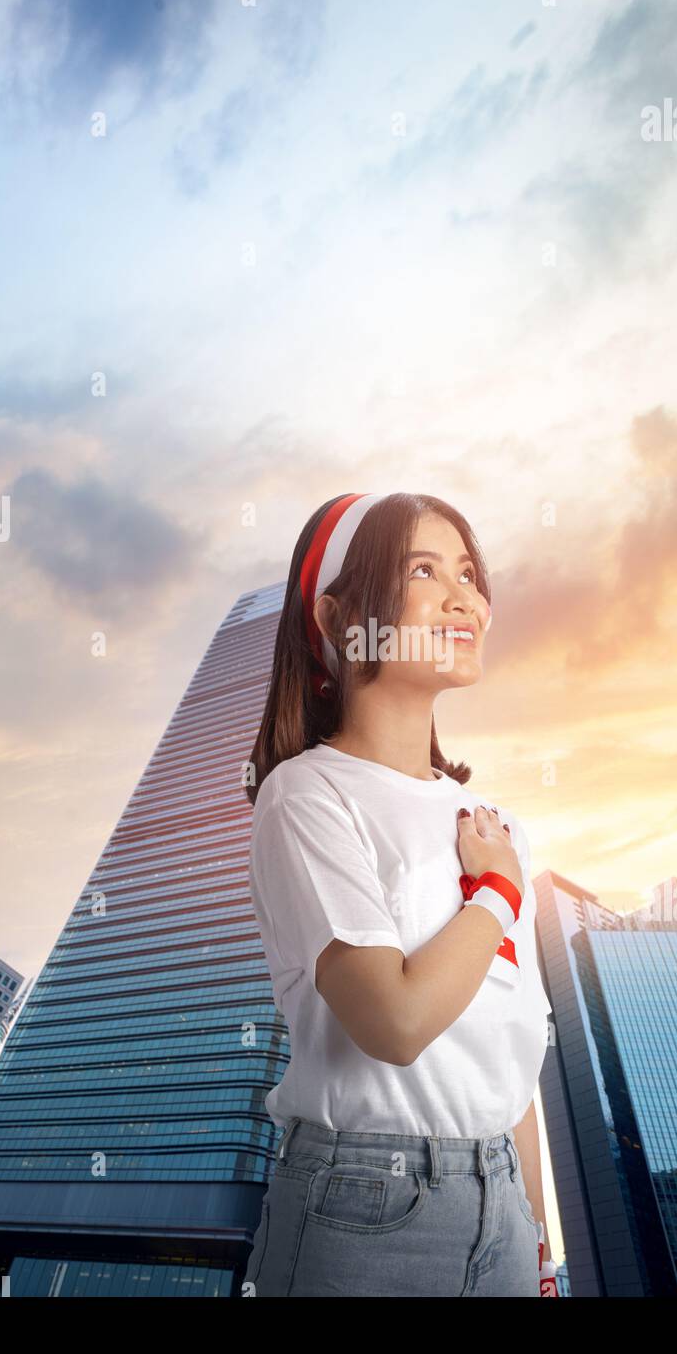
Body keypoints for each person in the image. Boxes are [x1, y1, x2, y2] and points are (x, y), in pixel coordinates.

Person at [242, 490, 554, 1297]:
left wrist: (542, 1247)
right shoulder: (308, 795)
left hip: (507, 1213)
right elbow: (394, 1021)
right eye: (424, 569)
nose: (467, 599)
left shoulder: (495, 825)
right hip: (364, 1211)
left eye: (469, 573)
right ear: (343, 616)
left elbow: (509, 1071)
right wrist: (495, 894)